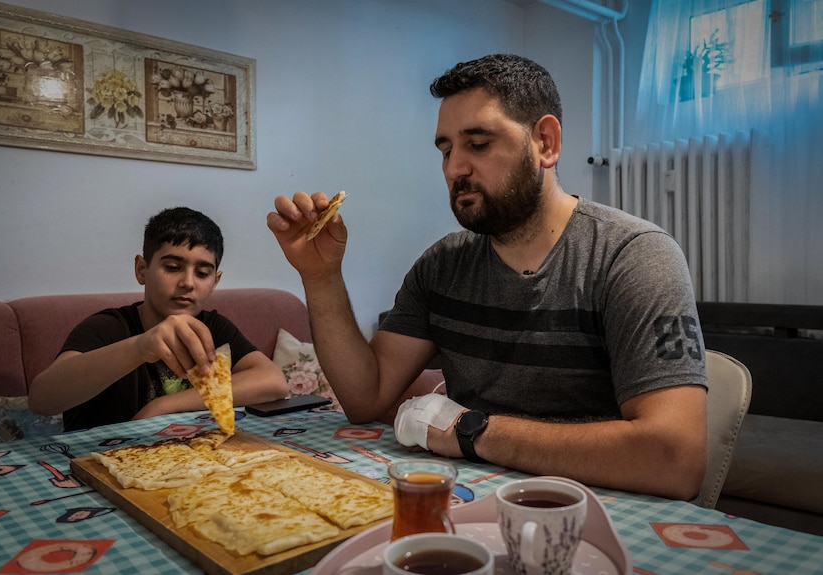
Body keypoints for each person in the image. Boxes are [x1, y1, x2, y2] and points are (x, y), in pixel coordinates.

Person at [267, 54, 708, 500]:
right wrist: (321, 276)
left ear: (546, 143)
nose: (455, 168)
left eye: (478, 144)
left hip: (594, 514)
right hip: (472, 501)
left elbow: (675, 458)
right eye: (445, 150)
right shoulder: (442, 266)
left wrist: (467, 430)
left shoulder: (633, 256)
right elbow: (365, 398)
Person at [29, 207, 288, 431]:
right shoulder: (107, 327)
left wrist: (164, 405)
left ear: (215, 281)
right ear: (142, 269)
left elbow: (273, 381)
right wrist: (141, 346)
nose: (187, 283)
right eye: (173, 268)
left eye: (202, 273)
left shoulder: (212, 327)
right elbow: (42, 399)